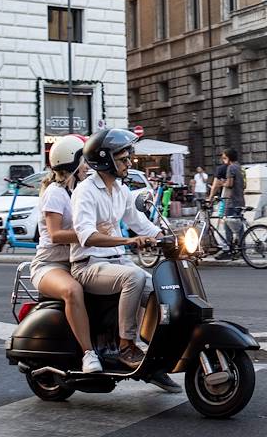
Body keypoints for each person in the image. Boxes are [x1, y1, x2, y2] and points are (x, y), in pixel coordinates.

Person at [71, 128, 162, 370]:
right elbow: (86, 236)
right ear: (105, 161)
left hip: (116, 263)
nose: (128, 163)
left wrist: (173, 237)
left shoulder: (121, 191)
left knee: (159, 287)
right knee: (133, 277)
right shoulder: (86, 191)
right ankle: (125, 345)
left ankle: (153, 342)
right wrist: (129, 241)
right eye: (122, 159)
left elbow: (140, 224)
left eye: (127, 158)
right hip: (88, 265)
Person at [31, 135, 101, 373]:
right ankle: (88, 354)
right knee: (73, 290)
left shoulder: (79, 191)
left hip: (76, 262)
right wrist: (91, 233)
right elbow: (56, 235)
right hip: (49, 266)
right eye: (83, 161)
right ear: (70, 162)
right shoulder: (55, 193)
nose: (87, 166)